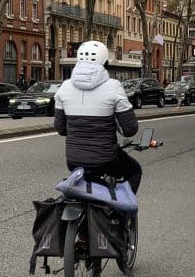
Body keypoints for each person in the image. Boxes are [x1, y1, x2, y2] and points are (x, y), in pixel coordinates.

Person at [53, 39, 142, 192]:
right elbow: (129, 129)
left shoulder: (65, 87)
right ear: (105, 64)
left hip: (73, 161)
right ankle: (121, 209)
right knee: (135, 171)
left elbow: (61, 128)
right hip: (106, 160)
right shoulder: (113, 86)